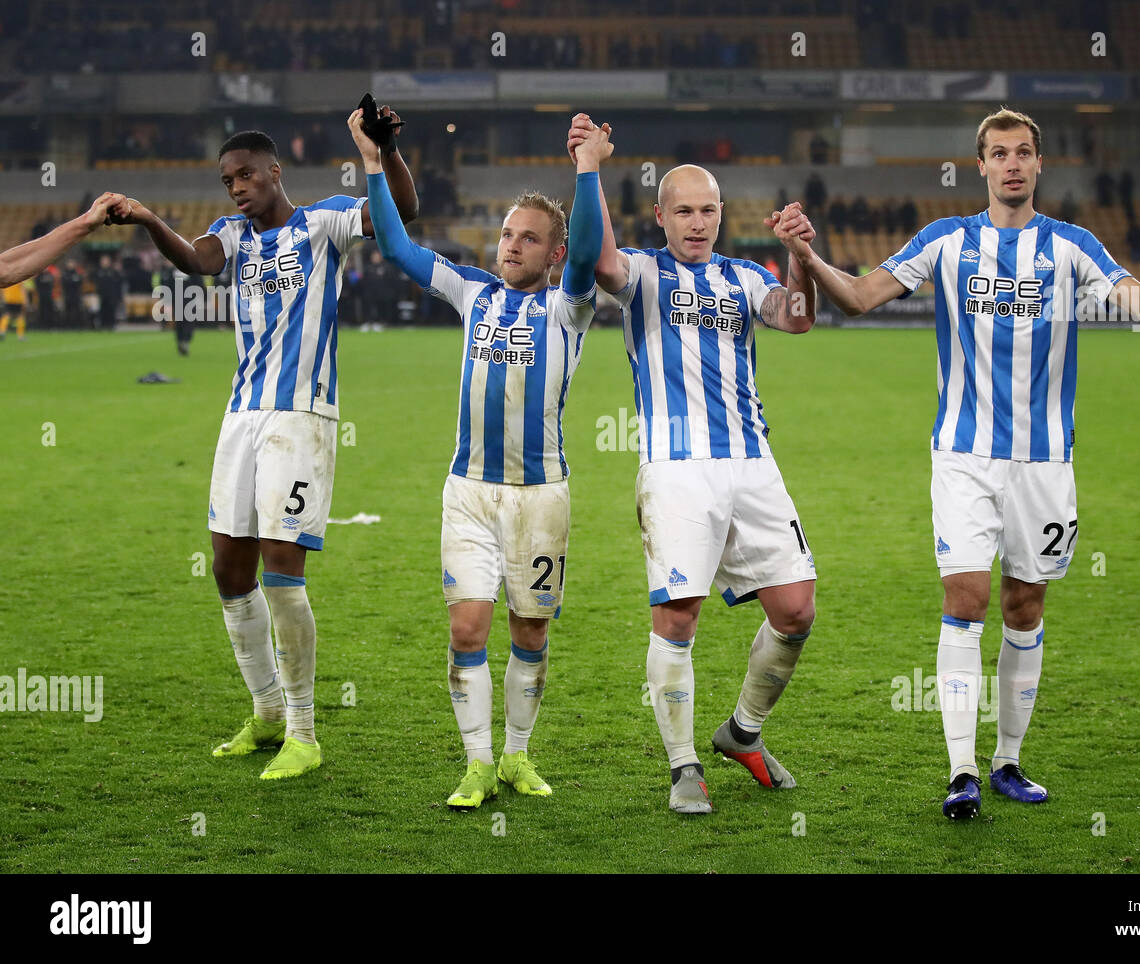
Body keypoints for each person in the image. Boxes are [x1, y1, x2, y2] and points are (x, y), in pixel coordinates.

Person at [772, 107, 1140, 820]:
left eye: (1023, 153)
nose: (1012, 164)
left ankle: (1009, 760)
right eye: (998, 153)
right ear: (980, 166)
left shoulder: (1071, 245)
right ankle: (961, 772)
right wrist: (807, 258)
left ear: (1039, 165)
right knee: (966, 599)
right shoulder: (946, 242)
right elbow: (859, 297)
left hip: (1045, 463)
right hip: (964, 456)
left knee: (1026, 603)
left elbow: (1132, 295)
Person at [108, 113, 418, 780]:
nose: (236, 188)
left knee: (282, 571)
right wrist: (146, 219)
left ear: (276, 171)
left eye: (246, 174)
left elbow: (404, 211)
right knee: (228, 569)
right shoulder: (230, 236)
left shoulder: (326, 221)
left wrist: (385, 154)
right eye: (227, 181)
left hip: (301, 418)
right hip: (241, 419)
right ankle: (267, 711)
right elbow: (194, 261)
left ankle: (305, 733)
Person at [350, 109, 603, 809]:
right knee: (467, 626)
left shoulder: (568, 309)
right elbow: (399, 249)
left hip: (541, 496)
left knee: (530, 629)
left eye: (529, 239)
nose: (512, 246)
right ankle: (477, 763)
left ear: (552, 254)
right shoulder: (474, 293)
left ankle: (519, 756)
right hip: (468, 492)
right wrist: (375, 162)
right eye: (507, 234)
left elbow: (587, 253)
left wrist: (588, 171)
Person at [568, 113, 818, 815]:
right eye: (684, 210)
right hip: (677, 470)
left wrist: (798, 252)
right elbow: (593, 256)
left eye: (708, 210)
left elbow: (797, 316)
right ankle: (682, 768)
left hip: (753, 463)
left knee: (796, 611)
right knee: (677, 619)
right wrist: (589, 166)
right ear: (661, 215)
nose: (698, 222)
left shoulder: (745, 274)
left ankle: (742, 732)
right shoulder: (642, 274)